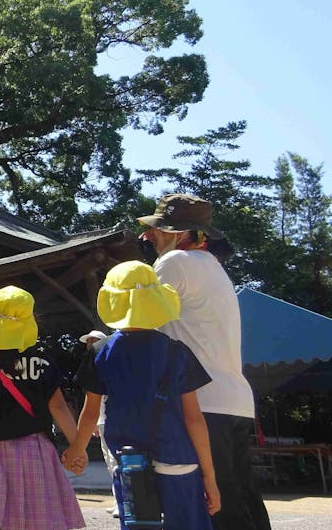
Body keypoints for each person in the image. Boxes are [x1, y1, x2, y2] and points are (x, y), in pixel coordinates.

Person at [138, 194, 271, 530]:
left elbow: (140, 322)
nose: (148, 236)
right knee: (242, 502)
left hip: (201, 402)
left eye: (157, 229)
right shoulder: (215, 269)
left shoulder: (175, 263)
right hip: (234, 401)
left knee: (214, 508)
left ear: (180, 233)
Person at [65, 260, 220, 530]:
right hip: (178, 458)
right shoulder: (177, 352)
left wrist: (77, 449)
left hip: (130, 463)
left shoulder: (100, 351)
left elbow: (91, 412)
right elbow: (194, 419)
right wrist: (209, 478)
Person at [0, 286, 85, 530]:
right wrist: (77, 446)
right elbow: (58, 406)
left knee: (1, 520)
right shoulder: (42, 361)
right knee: (38, 519)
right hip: (35, 448)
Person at [77, 329, 119, 516]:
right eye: (89, 342)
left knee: (115, 461)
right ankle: (120, 499)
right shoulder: (92, 365)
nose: (90, 344)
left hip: (111, 418)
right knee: (110, 462)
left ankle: (123, 501)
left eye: (94, 341)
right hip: (101, 419)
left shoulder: (105, 365)